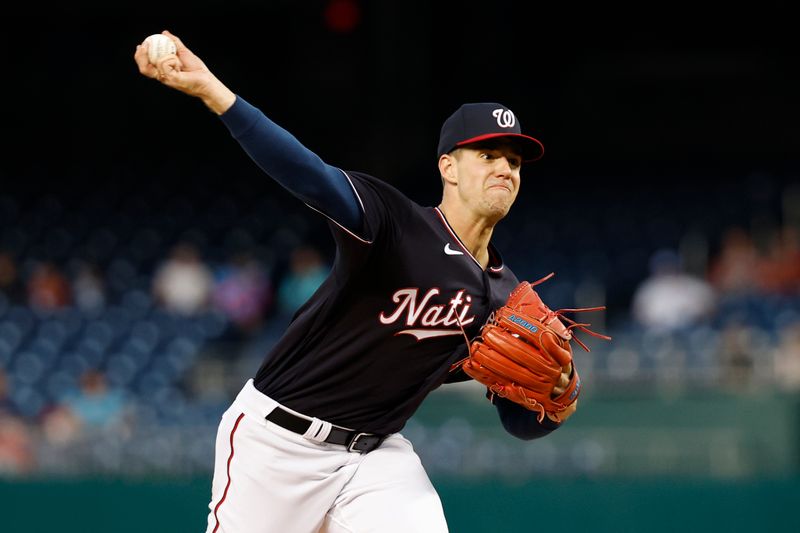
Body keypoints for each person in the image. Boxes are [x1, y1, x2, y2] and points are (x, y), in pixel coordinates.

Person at [135, 31, 577, 533]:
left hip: (374, 455)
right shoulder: (394, 223)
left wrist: (557, 400)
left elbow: (517, 421)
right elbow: (308, 174)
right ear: (448, 168)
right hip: (278, 442)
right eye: (489, 156)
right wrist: (216, 93)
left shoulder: (503, 297)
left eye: (514, 161)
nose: (505, 169)